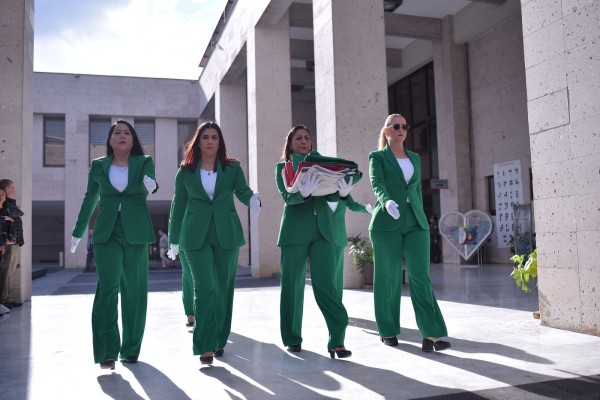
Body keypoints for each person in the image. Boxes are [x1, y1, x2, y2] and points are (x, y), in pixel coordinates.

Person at [167, 121, 260, 366]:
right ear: (198, 142)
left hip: (226, 235)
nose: (210, 141)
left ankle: (219, 339)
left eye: (214, 137)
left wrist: (252, 199)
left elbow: (242, 191)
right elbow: (178, 206)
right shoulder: (185, 171)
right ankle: (205, 345)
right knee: (203, 288)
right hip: (194, 236)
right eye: (205, 137)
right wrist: (173, 239)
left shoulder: (232, 168)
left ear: (220, 142)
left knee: (222, 289)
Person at [70, 119, 158, 370]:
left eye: (127, 133)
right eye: (117, 132)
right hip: (106, 233)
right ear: (109, 140)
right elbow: (90, 198)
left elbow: (151, 180)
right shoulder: (98, 165)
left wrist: (151, 184)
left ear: (133, 139)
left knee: (134, 291)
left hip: (136, 232)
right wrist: (78, 231)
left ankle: (130, 349)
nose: (122, 135)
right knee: (107, 288)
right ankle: (107, 352)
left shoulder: (144, 162)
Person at [368, 114, 450, 352]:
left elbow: (414, 189)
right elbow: (377, 183)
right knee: (389, 278)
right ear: (387, 131)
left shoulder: (414, 157)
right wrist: (385, 201)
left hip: (415, 222)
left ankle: (431, 334)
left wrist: (417, 212)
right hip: (386, 223)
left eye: (405, 126)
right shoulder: (377, 157)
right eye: (396, 126)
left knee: (420, 277)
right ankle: (388, 330)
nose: (401, 129)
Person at [275, 124, 353, 359]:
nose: (303, 141)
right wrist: (303, 193)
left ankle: (337, 341)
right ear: (290, 144)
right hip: (294, 232)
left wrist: (343, 194)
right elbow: (287, 197)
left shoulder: (322, 165)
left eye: (307, 138)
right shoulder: (282, 167)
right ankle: (292, 338)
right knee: (292, 287)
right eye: (298, 138)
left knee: (328, 286)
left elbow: (332, 192)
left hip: (323, 231)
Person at [332, 196, 373, 301]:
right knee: (326, 273)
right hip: (320, 237)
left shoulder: (343, 190)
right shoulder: (319, 191)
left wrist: (366, 209)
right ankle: (327, 303)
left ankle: (337, 304)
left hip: (338, 236)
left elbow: (353, 206)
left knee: (337, 272)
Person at [0, 179, 25, 310]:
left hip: (14, 241)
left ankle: (8, 298)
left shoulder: (9, 204)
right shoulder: (5, 205)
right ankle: (3, 300)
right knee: (7, 272)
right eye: (12, 188)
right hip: (7, 242)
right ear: (5, 190)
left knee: (11, 271)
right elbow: (17, 213)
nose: (14, 190)